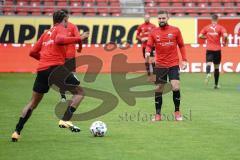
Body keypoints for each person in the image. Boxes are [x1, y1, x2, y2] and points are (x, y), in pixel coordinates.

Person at [11, 10, 89, 142]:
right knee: (80, 92)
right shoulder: (61, 29)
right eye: (66, 20)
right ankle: (65, 119)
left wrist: (45, 60)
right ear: (64, 20)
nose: (67, 23)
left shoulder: (46, 33)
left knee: (33, 103)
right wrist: (79, 38)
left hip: (42, 70)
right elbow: (59, 40)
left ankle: (17, 131)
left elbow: (32, 52)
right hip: (56, 68)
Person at [145, 11, 187, 121]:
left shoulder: (175, 30)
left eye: (163, 18)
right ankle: (158, 114)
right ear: (157, 19)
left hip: (173, 64)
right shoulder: (154, 32)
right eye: (159, 18)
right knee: (159, 89)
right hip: (160, 65)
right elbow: (149, 45)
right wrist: (147, 51)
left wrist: (185, 60)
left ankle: (177, 112)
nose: (161, 20)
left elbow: (181, 45)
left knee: (176, 86)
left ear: (168, 18)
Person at [59, 9, 83, 102]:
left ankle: (63, 96)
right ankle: (70, 95)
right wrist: (80, 48)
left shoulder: (56, 28)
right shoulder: (72, 27)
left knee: (63, 77)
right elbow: (78, 39)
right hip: (66, 56)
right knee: (70, 76)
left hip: (64, 56)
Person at [199, 14, 228, 89]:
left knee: (208, 63)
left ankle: (208, 73)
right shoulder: (220, 27)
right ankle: (216, 84)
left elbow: (200, 36)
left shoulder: (207, 27)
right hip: (217, 49)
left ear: (211, 19)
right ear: (217, 19)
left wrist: (207, 37)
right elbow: (225, 35)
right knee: (216, 67)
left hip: (209, 49)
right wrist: (225, 42)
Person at [136, 14, 156, 80]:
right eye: (146, 17)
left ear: (150, 18)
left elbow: (155, 35)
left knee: (153, 60)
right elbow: (137, 35)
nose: (147, 19)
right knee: (146, 60)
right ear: (144, 18)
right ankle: (148, 75)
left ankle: (154, 76)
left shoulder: (153, 26)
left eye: (148, 17)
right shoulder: (141, 26)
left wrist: (148, 38)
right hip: (145, 46)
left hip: (152, 46)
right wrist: (141, 38)